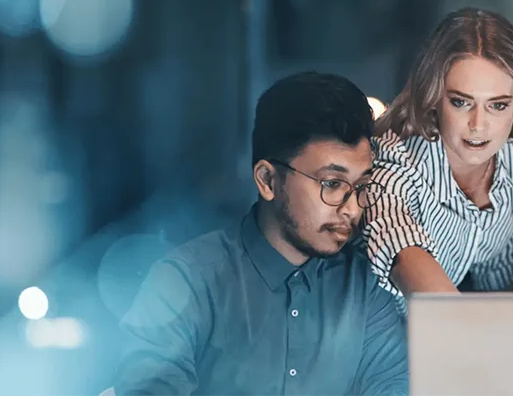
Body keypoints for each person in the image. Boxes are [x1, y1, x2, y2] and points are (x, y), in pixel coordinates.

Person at [112, 72, 408, 396]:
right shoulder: (187, 283)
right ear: (267, 180)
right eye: (332, 184)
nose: (352, 209)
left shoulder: (364, 291)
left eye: (362, 186)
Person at [363, 7, 513, 310]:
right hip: (376, 340)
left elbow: (496, 265)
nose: (478, 124)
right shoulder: (395, 159)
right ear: (434, 97)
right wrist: (464, 332)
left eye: (497, 106)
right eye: (461, 102)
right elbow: (398, 246)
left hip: (452, 332)